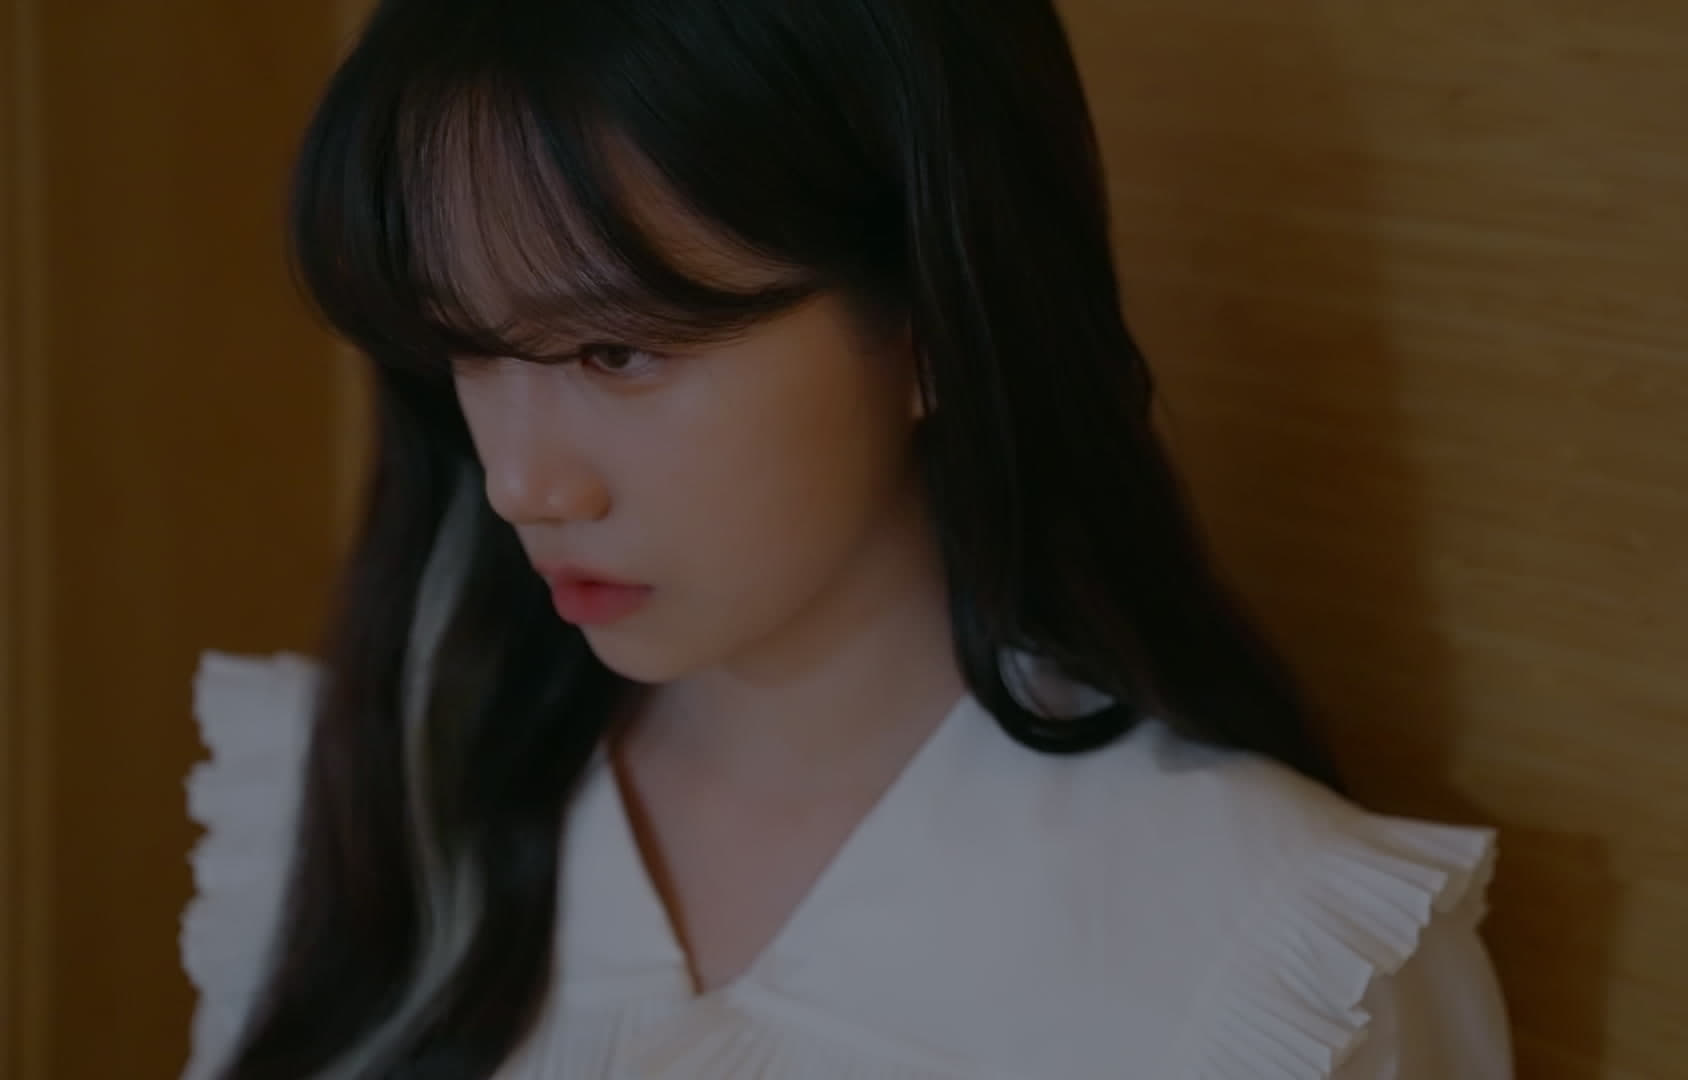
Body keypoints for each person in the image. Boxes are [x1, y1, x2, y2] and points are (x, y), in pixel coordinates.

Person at [181, 1, 1513, 1076]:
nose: (522, 482)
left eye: (615, 351)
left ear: (932, 318)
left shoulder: (1257, 963)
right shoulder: (372, 804)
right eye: (467, 348)